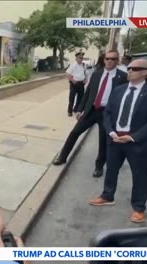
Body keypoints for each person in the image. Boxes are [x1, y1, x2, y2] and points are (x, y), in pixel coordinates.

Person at [89, 59, 147, 223]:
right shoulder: (118, 90)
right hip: (115, 139)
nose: (129, 71)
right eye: (129, 68)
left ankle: (138, 207)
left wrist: (133, 137)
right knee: (111, 169)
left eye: (135, 69)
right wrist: (110, 131)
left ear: (145, 72)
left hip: (137, 142)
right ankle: (108, 195)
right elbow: (107, 113)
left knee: (139, 175)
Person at [53, 50, 128, 178]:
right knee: (74, 132)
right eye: (107, 58)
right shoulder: (97, 74)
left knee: (103, 141)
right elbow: (88, 93)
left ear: (117, 60)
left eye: (113, 59)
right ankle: (62, 157)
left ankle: (99, 167)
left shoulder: (122, 77)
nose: (110, 61)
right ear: (104, 60)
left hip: (107, 113)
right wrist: (80, 109)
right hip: (92, 110)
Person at [65, 52, 87, 117]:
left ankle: (76, 109)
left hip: (81, 84)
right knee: (72, 98)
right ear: (76, 58)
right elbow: (68, 74)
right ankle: (69, 111)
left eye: (82, 58)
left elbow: (85, 73)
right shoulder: (73, 65)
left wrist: (86, 79)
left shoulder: (83, 65)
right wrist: (72, 80)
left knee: (80, 98)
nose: (81, 59)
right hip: (74, 84)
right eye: (80, 57)